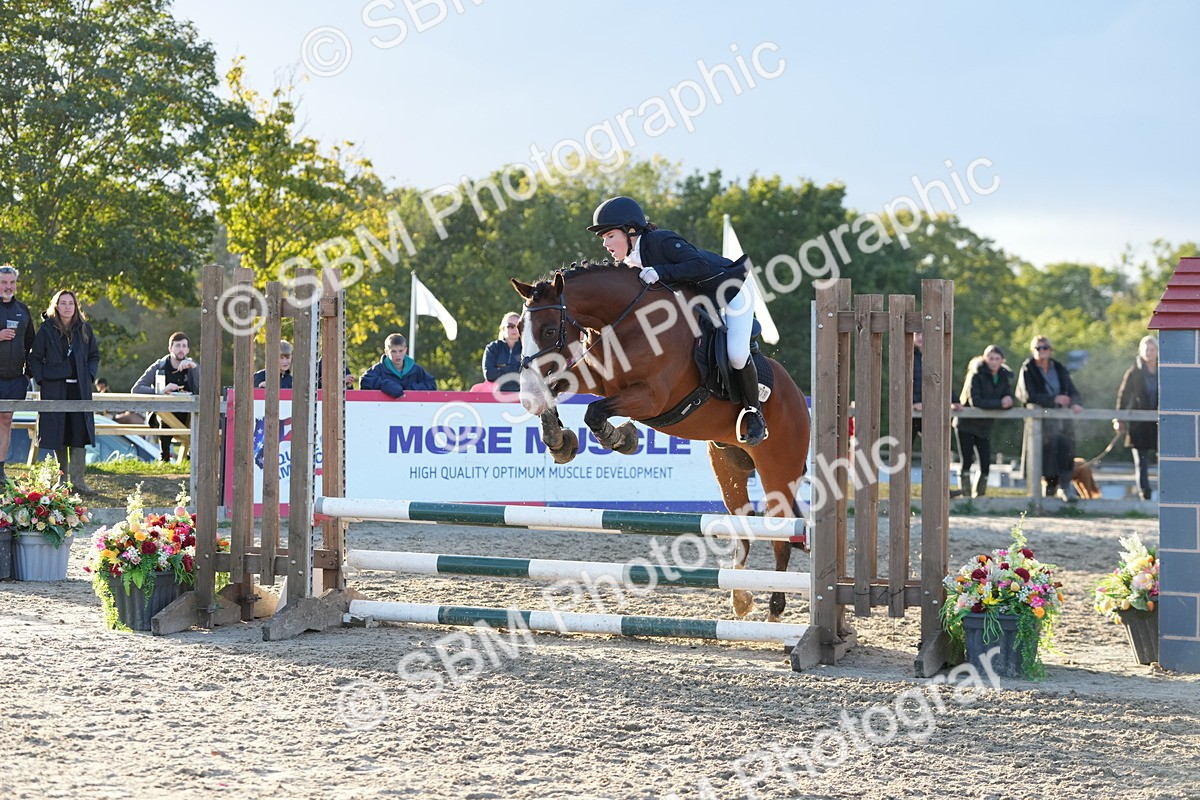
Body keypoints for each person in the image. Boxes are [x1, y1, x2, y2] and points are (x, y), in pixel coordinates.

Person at [587, 196, 767, 445]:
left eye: (609, 236)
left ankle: (753, 412)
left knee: (736, 353)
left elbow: (699, 265)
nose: (605, 244)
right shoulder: (628, 262)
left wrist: (661, 272)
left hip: (731, 289)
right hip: (700, 301)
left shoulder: (661, 241)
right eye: (603, 239)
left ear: (630, 231)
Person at [29, 290, 100, 494]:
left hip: (80, 389)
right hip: (55, 389)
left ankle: (79, 481)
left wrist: (88, 375)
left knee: (79, 432)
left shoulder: (84, 329)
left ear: (75, 306)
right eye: (63, 303)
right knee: (59, 433)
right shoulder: (46, 329)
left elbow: (94, 355)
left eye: (71, 303)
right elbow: (34, 358)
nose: (67, 307)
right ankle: (62, 482)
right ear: (56, 306)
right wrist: (42, 379)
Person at [1016, 335, 1083, 502]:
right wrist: (1053, 400)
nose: (1041, 351)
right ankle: (1042, 497)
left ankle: (1065, 488)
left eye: (1044, 348)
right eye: (1038, 348)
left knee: (1065, 451)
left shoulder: (1059, 368)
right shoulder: (1028, 369)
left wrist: (1075, 403)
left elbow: (1072, 390)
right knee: (1045, 457)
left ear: (1050, 350)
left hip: (1062, 420)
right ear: (1033, 350)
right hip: (1041, 422)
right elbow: (1028, 395)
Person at [956, 345, 1015, 498]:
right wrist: (1000, 403)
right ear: (985, 358)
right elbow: (976, 401)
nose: (993, 362)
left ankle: (979, 496)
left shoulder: (1004, 376)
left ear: (1002, 360)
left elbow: (1006, 397)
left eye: (997, 358)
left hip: (985, 426)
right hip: (966, 424)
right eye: (990, 358)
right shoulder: (976, 374)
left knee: (986, 463)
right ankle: (966, 496)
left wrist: (1008, 402)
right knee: (966, 461)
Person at [132, 331, 200, 462]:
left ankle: (192, 458)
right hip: (161, 416)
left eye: (184, 346)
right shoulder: (159, 366)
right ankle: (164, 458)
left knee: (199, 415)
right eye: (178, 346)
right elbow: (137, 389)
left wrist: (195, 368)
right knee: (165, 413)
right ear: (170, 348)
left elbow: (203, 392)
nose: (181, 349)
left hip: (187, 415)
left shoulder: (192, 367)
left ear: (188, 350)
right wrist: (161, 391)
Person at [0, 265, 35, 483]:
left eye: (12, 282)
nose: (8, 287)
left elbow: (33, 345)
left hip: (15, 379)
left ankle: (0, 470)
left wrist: (28, 375)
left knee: (5, 421)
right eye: (4, 282)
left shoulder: (23, 310)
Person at [1115, 335, 1159, 500]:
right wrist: (1118, 418)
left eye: (1152, 349)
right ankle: (1144, 493)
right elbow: (1123, 395)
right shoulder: (1134, 371)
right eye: (1147, 349)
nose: (1149, 352)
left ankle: (1166, 493)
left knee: (1165, 458)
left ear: (1157, 351)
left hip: (1160, 422)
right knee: (1141, 461)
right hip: (1139, 422)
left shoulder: (1166, 368)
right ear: (1141, 351)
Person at [359, 333, 437, 397]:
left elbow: (432, 384)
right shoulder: (379, 369)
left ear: (405, 350)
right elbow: (364, 381)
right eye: (393, 351)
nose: (398, 355)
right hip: (384, 411)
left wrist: (412, 389)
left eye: (400, 351)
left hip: (411, 412)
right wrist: (386, 385)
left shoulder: (416, 369)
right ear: (386, 352)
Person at [481, 312, 522, 393]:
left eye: (518, 326)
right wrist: (515, 369)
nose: (515, 329)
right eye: (510, 326)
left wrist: (502, 369)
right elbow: (489, 374)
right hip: (495, 398)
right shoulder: (492, 348)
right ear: (503, 328)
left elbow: (529, 375)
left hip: (522, 397)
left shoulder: (527, 349)